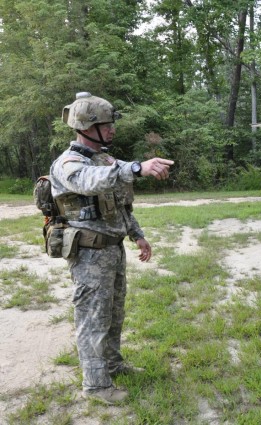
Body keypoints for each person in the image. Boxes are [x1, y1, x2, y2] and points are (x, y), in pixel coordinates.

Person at [49, 92, 174, 404]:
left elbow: (120, 205)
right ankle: (95, 385)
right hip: (89, 254)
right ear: (87, 127)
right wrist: (134, 168)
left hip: (113, 251)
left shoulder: (106, 160)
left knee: (113, 314)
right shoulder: (69, 164)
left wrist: (137, 235)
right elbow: (90, 181)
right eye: (107, 123)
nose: (113, 129)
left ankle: (113, 365)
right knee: (92, 317)